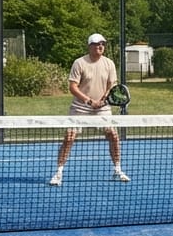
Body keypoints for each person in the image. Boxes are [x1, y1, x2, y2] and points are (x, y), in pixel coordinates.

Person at [49, 33, 130, 186]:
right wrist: (88, 101)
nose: (100, 46)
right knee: (69, 138)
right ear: (89, 46)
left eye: (103, 44)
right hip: (80, 107)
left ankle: (117, 170)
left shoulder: (109, 64)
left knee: (113, 136)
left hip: (102, 107)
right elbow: (72, 87)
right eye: (97, 44)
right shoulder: (79, 63)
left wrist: (103, 100)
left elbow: (111, 86)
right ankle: (58, 173)